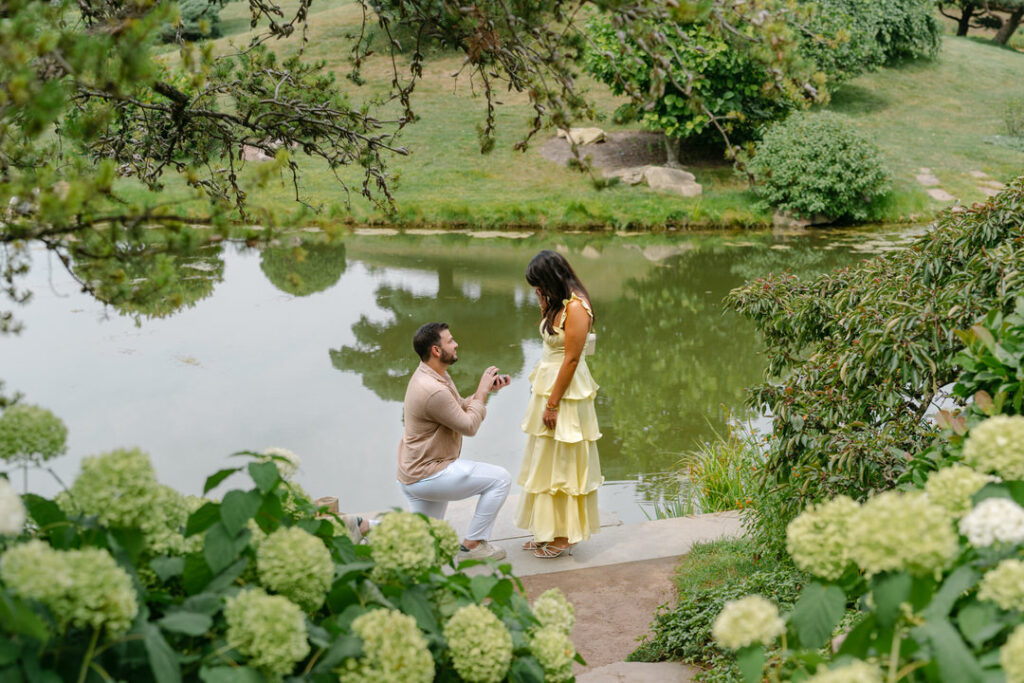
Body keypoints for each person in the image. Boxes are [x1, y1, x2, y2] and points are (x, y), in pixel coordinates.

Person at [396, 322, 513, 561]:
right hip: (430, 473)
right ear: (436, 351)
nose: (456, 343)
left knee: (421, 539)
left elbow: (458, 410)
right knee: (500, 479)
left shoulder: (434, 375)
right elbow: (469, 426)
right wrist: (480, 392)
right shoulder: (432, 388)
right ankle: (473, 546)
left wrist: (484, 392)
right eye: (450, 340)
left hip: (414, 473)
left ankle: (361, 525)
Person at [515, 250, 603, 558]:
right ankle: (547, 529)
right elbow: (551, 336)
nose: (537, 291)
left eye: (539, 285)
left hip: (564, 393)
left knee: (564, 461)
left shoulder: (577, 308)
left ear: (552, 278)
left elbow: (572, 358)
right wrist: (543, 304)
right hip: (548, 388)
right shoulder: (557, 304)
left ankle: (565, 537)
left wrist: (553, 404)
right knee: (545, 460)